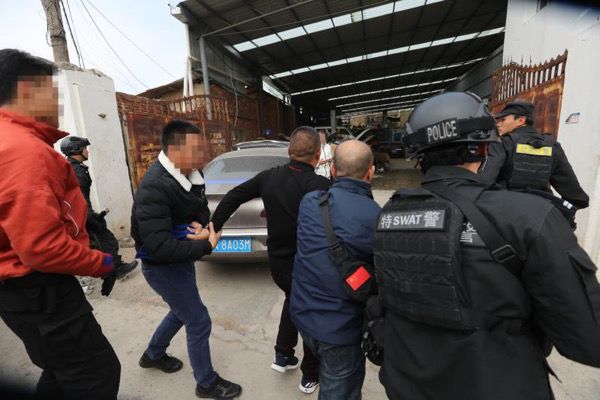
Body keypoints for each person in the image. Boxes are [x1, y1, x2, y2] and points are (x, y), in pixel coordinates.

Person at [375, 91, 600, 400]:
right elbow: (587, 335)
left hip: (407, 382)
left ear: (418, 154)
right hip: (496, 383)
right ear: (483, 147)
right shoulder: (530, 218)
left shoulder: (388, 215)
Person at [0, 49, 120, 399]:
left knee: (60, 371)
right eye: (54, 95)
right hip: (40, 290)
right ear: (27, 91)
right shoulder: (25, 151)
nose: (58, 106)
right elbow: (42, 248)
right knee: (95, 375)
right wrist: (103, 263)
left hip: (19, 295)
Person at [211, 126, 330, 394]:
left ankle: (283, 354)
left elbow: (234, 196)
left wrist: (214, 226)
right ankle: (310, 375)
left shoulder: (268, 177)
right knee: (311, 315)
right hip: (309, 266)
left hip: (278, 264)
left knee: (293, 299)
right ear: (318, 155)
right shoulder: (322, 186)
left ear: (289, 151)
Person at [131, 120, 241, 399]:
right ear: (173, 150)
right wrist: (206, 246)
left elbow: (201, 208)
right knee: (198, 320)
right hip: (161, 267)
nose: (204, 154)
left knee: (181, 312)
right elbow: (158, 247)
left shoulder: (192, 174)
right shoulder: (154, 187)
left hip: (180, 260)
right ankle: (206, 383)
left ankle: (153, 354)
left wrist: (201, 227)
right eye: (196, 149)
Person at [290, 140, 380, 400]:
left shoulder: (310, 202)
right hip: (340, 330)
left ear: (332, 170)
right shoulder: (376, 216)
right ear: (371, 172)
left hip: (303, 316)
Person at [478, 100, 589, 210]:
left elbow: (484, 183)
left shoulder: (502, 144)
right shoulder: (553, 146)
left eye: (503, 120)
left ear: (521, 120)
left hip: (506, 211)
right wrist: (557, 214)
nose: (498, 124)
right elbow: (576, 197)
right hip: (542, 213)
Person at [60, 136, 138, 280]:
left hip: (77, 214)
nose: (87, 152)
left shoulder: (72, 166)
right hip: (80, 214)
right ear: (76, 150)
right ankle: (115, 270)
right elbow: (80, 198)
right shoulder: (77, 171)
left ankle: (107, 269)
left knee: (98, 244)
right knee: (107, 241)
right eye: (85, 149)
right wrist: (91, 217)